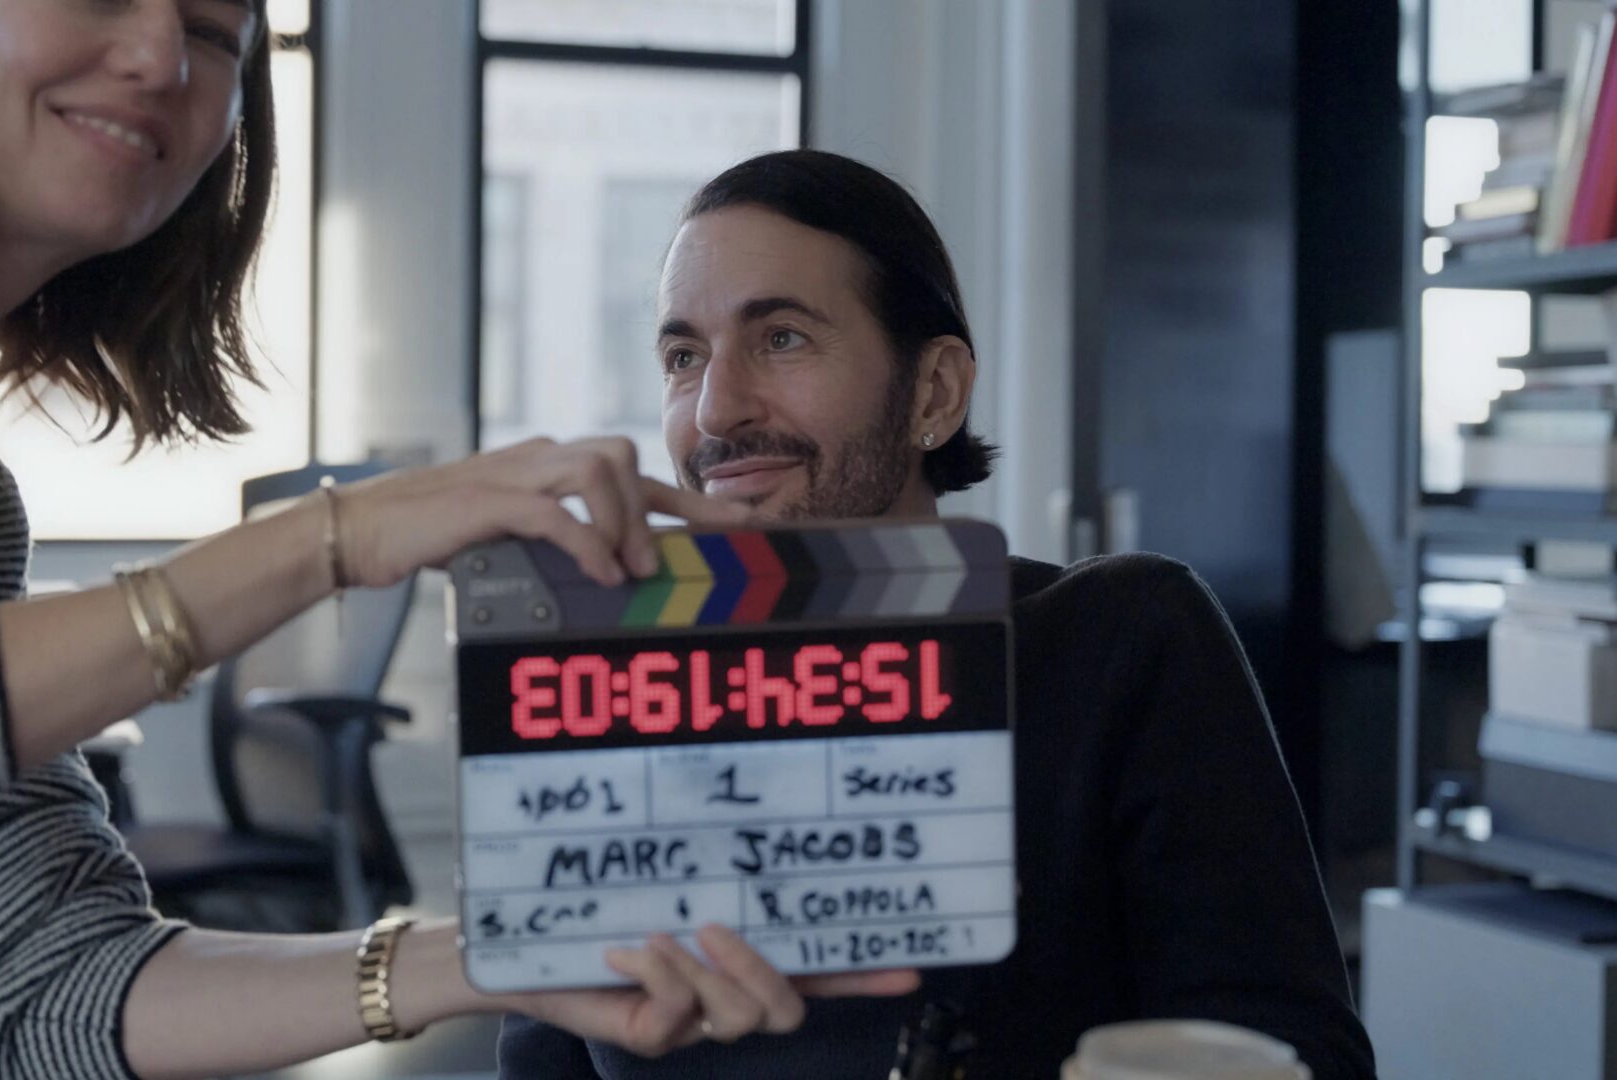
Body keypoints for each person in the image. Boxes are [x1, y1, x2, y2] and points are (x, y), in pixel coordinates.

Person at [0, 9, 918, 1079]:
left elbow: (52, 989)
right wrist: (337, 536)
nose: (159, 56)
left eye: (215, 32)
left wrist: (499, 955)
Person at [496, 149, 1380, 1078]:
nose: (716, 409)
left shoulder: (1123, 640)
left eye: (782, 338)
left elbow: (1297, 1054)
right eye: (684, 357)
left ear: (935, 391)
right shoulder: (592, 691)